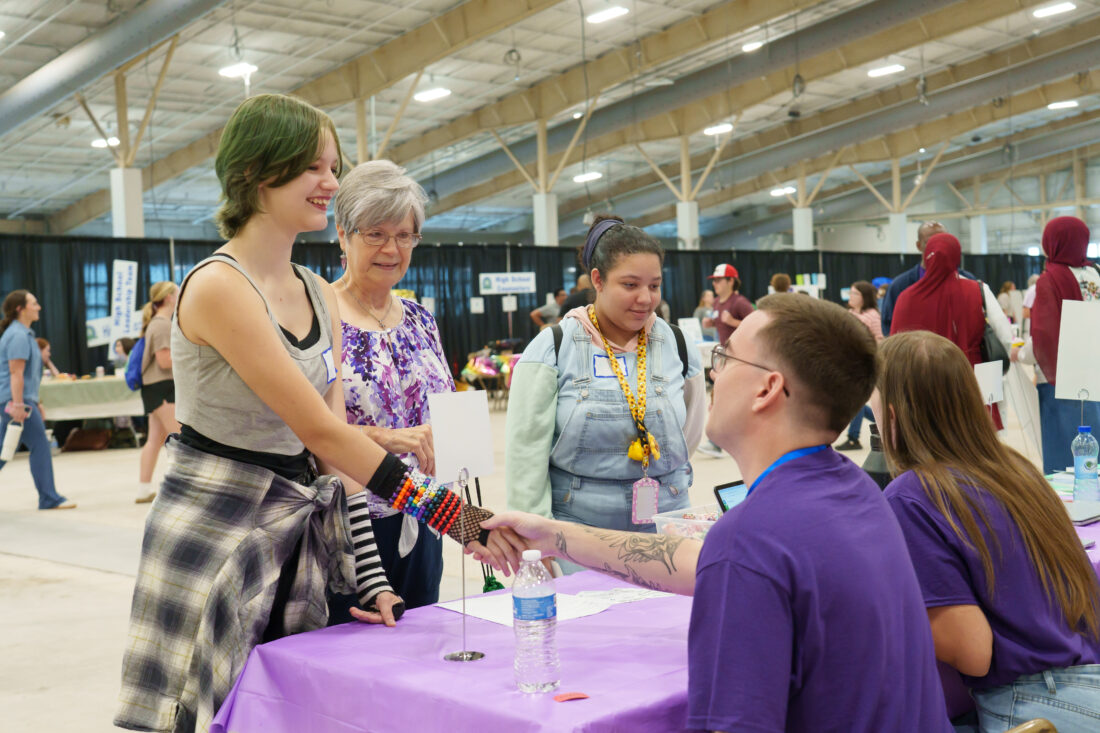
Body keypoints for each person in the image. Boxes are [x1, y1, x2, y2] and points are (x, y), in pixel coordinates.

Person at [115, 94, 523, 733]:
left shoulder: (311, 291)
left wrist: (369, 578)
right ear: (255, 172)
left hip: (298, 543)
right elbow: (325, 431)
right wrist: (459, 519)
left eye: (332, 166)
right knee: (204, 716)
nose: (331, 182)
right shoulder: (220, 285)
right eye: (312, 167)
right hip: (218, 544)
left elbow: (334, 461)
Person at [481, 294, 952, 733]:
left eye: (726, 360)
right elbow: (692, 558)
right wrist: (556, 534)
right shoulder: (855, 491)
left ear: (767, 389)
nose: (713, 374)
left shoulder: (752, 541)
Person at [875, 329, 1100, 731]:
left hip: (1033, 703)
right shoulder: (1016, 469)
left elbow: (973, 651)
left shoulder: (911, 496)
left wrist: (893, 602)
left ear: (893, 414)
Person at [505, 214, 705, 545]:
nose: (645, 298)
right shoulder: (553, 348)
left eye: (654, 286)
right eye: (630, 285)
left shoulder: (678, 345)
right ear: (598, 280)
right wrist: (538, 540)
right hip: (580, 530)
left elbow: (690, 433)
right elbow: (526, 457)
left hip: (668, 523)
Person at [328, 159, 453, 612]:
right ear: (343, 235)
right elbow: (305, 431)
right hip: (350, 530)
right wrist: (386, 438)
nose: (392, 248)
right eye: (375, 234)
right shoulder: (321, 317)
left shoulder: (421, 319)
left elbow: (445, 414)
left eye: (404, 235)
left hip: (425, 516)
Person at [1028, 216, 1100, 475]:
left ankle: (1066, 513)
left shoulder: (1048, 280)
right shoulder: (1096, 273)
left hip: (1063, 381)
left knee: (1065, 458)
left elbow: (1043, 334)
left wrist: (1027, 358)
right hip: (1096, 374)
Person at [0, 290, 73, 510]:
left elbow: (27, 377)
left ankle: (48, 497)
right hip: (13, 402)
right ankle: (48, 498)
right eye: (34, 303)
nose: (38, 307)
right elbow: (16, 373)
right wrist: (19, 404)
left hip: (19, 400)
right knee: (38, 445)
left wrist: (35, 401)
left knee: (11, 449)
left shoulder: (24, 334)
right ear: (20, 309)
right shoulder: (18, 336)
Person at [881, 220, 971, 335]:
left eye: (943, 241)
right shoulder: (900, 286)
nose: (938, 247)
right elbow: (889, 327)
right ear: (919, 246)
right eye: (930, 242)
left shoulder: (969, 281)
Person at [135, 281, 179, 505]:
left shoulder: (156, 323)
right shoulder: (162, 324)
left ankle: (144, 490)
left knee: (155, 439)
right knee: (180, 440)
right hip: (162, 386)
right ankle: (180, 490)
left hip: (154, 387)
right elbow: (164, 361)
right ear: (170, 297)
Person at [835, 281, 882, 451]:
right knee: (856, 403)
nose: (851, 296)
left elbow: (879, 340)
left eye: (855, 293)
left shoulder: (872, 315)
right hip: (848, 363)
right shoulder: (848, 314)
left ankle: (853, 438)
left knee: (857, 401)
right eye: (851, 292)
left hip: (864, 363)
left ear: (864, 297)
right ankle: (884, 422)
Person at [702, 263, 753, 345]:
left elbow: (755, 326)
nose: (714, 283)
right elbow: (724, 325)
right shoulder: (716, 302)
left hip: (740, 354)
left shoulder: (740, 302)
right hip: (725, 352)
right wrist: (712, 323)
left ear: (731, 281)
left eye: (718, 280)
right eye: (714, 280)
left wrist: (732, 321)